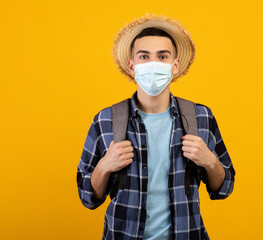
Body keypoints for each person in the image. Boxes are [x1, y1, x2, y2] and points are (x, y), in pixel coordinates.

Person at [77, 14, 236, 240]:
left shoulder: (200, 117)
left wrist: (210, 161)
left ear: (175, 65)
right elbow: (88, 197)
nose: (153, 64)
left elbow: (224, 187)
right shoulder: (106, 120)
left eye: (162, 56)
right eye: (144, 56)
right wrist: (104, 166)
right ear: (132, 66)